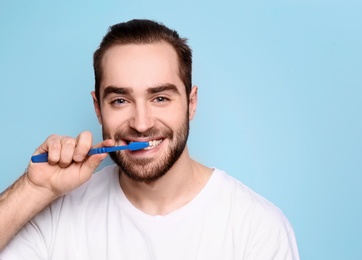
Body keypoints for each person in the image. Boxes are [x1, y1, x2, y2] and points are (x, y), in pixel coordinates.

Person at [0, 19, 299, 259]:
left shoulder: (258, 228)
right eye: (120, 100)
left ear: (191, 103)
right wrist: (33, 188)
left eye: (159, 98)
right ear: (97, 108)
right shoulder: (55, 214)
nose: (141, 124)